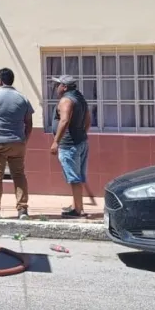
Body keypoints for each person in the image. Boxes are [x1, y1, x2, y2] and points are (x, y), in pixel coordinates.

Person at [0, 67, 34, 219]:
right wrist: (24, 139)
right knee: (19, 175)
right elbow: (29, 123)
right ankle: (22, 209)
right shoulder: (22, 98)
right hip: (17, 142)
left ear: (0, 81)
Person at [50, 74, 92, 218]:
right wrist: (82, 133)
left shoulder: (66, 100)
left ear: (64, 87)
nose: (56, 87)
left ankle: (78, 210)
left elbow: (64, 120)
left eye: (58, 85)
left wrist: (56, 141)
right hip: (81, 141)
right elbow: (88, 119)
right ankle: (77, 205)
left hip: (69, 144)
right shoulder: (80, 98)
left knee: (74, 178)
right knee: (78, 177)